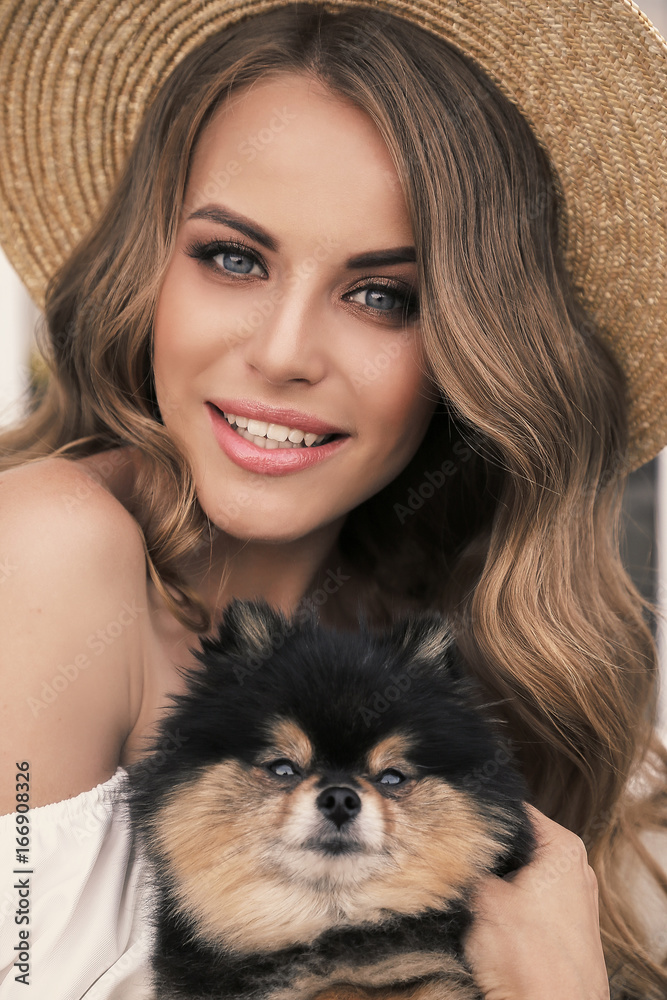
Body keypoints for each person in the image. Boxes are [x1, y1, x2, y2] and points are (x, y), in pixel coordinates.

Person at [0, 1, 666, 997]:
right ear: (149, 270)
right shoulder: (53, 548)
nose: (280, 353)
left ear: (472, 350)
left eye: (382, 294)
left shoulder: (436, 652)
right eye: (233, 257)